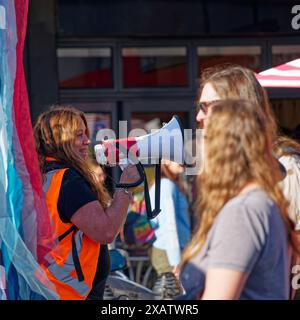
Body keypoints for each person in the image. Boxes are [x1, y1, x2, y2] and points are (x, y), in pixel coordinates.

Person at [180, 99, 292, 300]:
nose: (196, 146)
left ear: (224, 149)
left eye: (205, 137)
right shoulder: (257, 202)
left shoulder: (243, 211)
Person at [33, 105, 139, 300]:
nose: (87, 141)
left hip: (51, 288)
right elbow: (105, 231)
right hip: (68, 293)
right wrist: (126, 186)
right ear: (58, 141)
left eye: (85, 134)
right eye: (78, 135)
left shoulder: (45, 176)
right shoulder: (68, 180)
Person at [149, 161, 191, 298]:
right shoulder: (166, 186)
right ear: (165, 160)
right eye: (175, 156)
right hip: (170, 253)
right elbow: (169, 225)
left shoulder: (165, 184)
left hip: (169, 251)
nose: (181, 159)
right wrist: (176, 260)